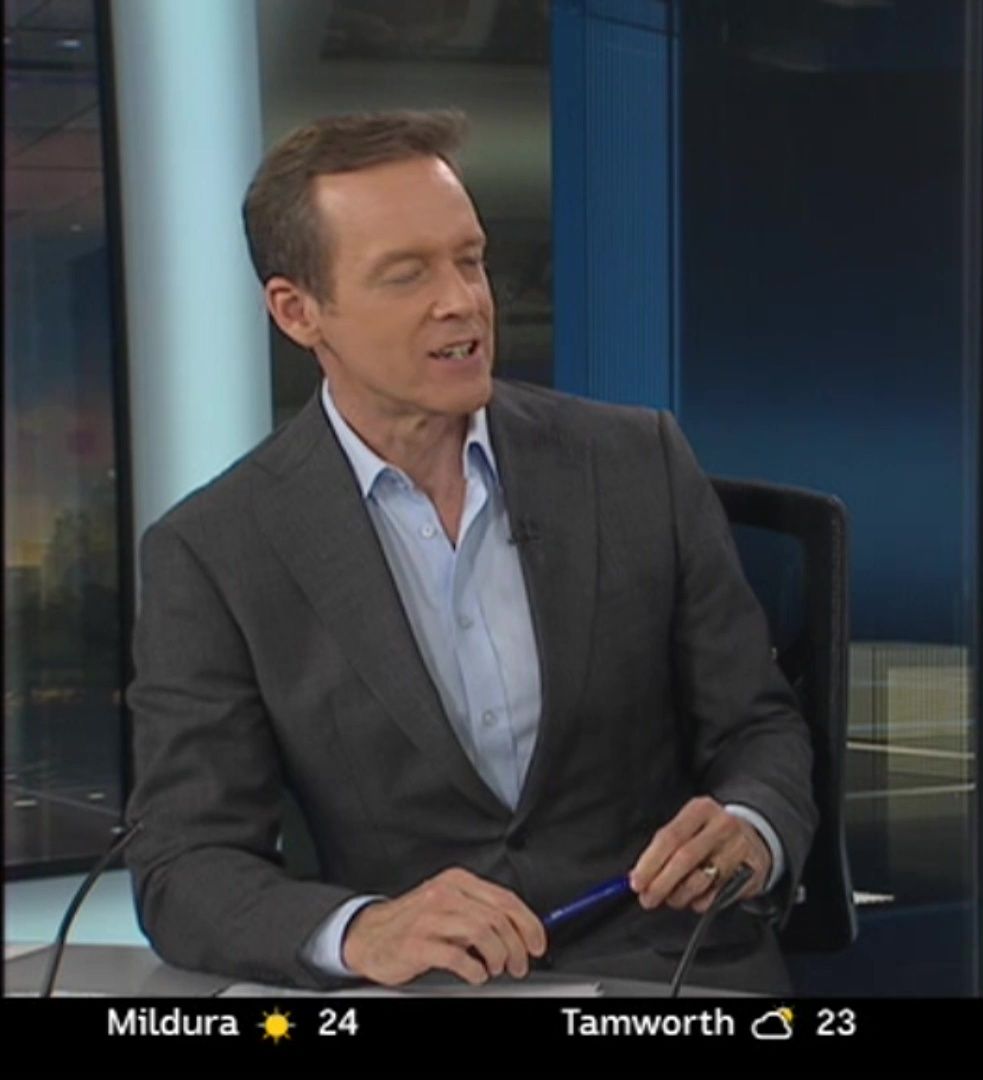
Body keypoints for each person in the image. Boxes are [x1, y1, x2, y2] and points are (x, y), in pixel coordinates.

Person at [125, 110, 815, 993]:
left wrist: (752, 824)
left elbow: (757, 726)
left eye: (470, 259)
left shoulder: (633, 462)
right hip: (429, 985)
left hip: (666, 969)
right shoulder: (215, 550)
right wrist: (361, 931)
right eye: (406, 274)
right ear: (299, 312)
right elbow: (184, 864)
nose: (462, 301)